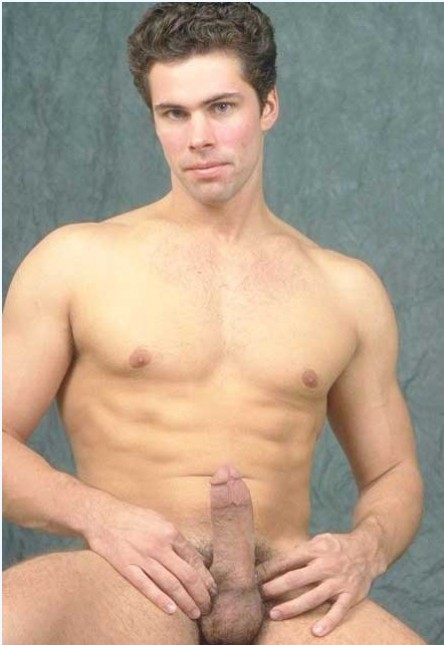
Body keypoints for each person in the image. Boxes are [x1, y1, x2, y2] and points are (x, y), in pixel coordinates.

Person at [2, 3, 425, 644]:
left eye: (221, 107)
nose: (198, 137)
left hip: (284, 594)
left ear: (268, 106)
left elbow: (394, 473)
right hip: (136, 582)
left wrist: (365, 548)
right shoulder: (76, 261)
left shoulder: (347, 290)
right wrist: (99, 516)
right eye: (174, 113)